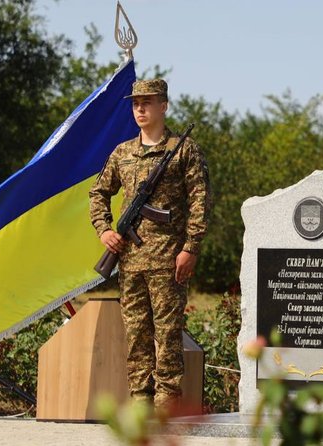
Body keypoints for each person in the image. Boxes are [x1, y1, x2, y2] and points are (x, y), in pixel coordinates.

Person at [89, 78, 212, 412]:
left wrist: (191, 247)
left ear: (164, 106)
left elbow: (200, 200)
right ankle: (140, 402)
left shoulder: (182, 149)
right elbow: (98, 193)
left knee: (168, 336)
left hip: (168, 260)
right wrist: (104, 230)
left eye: (147, 102)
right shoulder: (122, 153)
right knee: (137, 337)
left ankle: (166, 404)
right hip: (130, 260)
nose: (140, 109)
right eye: (135, 103)